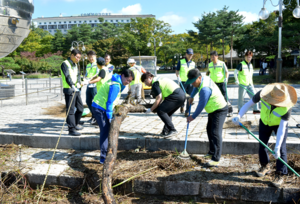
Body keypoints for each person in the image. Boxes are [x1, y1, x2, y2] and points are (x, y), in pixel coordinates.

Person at [232, 83, 297, 187]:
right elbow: (249, 104)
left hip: (279, 125)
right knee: (262, 145)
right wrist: (239, 116)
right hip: (264, 121)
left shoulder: (287, 107)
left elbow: (282, 128)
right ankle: (265, 165)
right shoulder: (263, 94)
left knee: (281, 150)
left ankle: (280, 173)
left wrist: (277, 146)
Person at [186, 69, 228, 167]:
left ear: (199, 78)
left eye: (193, 82)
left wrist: (192, 117)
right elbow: (197, 87)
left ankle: (216, 158)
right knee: (209, 129)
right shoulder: (203, 80)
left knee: (215, 133)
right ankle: (212, 151)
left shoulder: (205, 89)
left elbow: (201, 105)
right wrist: (192, 96)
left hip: (219, 109)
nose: (192, 84)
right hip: (213, 109)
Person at [91, 69, 134, 164]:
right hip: (100, 108)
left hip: (101, 107)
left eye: (130, 81)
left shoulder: (116, 80)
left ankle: (107, 153)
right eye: (127, 80)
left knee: (107, 130)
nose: (128, 82)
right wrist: (110, 117)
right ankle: (103, 158)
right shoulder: (115, 85)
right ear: (122, 75)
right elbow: (109, 102)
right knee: (105, 132)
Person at [142, 72, 186, 137]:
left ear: (150, 78)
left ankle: (172, 130)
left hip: (175, 96)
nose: (145, 84)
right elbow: (160, 99)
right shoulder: (158, 79)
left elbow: (159, 98)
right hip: (182, 95)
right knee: (167, 113)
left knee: (161, 111)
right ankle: (165, 131)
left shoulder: (155, 84)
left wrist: (151, 109)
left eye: (145, 81)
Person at [60, 49, 84, 136]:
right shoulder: (65, 64)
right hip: (69, 89)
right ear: (72, 55)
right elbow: (67, 76)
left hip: (76, 89)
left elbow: (77, 75)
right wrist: (72, 85)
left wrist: (78, 82)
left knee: (80, 108)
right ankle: (71, 129)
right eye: (77, 57)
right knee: (70, 110)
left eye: (79, 58)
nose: (78, 59)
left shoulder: (75, 65)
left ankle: (75, 124)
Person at [84, 57, 112, 125]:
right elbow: (97, 76)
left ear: (97, 64)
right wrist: (90, 79)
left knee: (99, 106)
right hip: (105, 90)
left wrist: (88, 82)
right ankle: (100, 121)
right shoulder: (105, 69)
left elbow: (98, 79)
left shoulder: (102, 70)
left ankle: (100, 121)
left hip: (102, 91)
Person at [176, 48, 196, 117]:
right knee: (182, 96)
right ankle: (182, 106)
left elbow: (195, 73)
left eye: (191, 54)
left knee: (189, 97)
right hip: (183, 82)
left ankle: (187, 111)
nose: (190, 56)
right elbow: (177, 70)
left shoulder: (193, 63)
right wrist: (178, 77)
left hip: (191, 82)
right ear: (186, 54)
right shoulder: (181, 62)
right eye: (189, 54)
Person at [84, 51, 98, 125]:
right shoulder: (88, 65)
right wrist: (85, 79)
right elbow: (86, 74)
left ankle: (96, 117)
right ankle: (93, 115)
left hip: (95, 85)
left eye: (92, 57)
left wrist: (91, 79)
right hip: (88, 85)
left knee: (95, 101)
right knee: (88, 101)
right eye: (89, 57)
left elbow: (97, 74)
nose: (90, 58)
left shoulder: (97, 64)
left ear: (95, 56)